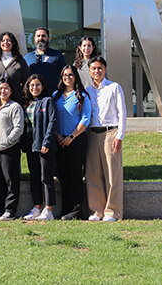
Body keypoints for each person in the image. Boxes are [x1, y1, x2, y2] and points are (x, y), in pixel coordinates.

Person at [85, 57, 127, 222]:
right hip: (91, 133)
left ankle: (112, 212)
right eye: (94, 68)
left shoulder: (114, 87)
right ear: (89, 71)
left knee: (112, 174)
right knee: (93, 173)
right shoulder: (87, 91)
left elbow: (122, 112)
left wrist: (120, 135)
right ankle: (97, 211)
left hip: (111, 132)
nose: (97, 71)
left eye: (100, 68)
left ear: (105, 69)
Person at [53, 65, 91, 220]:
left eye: (70, 75)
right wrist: (57, 136)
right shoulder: (56, 95)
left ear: (75, 76)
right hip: (59, 140)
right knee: (64, 176)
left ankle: (76, 211)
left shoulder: (82, 96)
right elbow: (52, 117)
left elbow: (86, 118)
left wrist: (71, 137)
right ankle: (65, 209)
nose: (67, 77)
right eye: (64, 75)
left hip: (76, 140)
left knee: (75, 176)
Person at [21, 74, 58, 221]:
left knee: (46, 178)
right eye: (31, 85)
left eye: (37, 85)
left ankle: (49, 210)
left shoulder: (48, 101)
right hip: (31, 146)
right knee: (34, 177)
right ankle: (37, 207)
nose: (34, 88)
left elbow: (52, 121)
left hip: (44, 146)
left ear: (42, 86)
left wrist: (46, 142)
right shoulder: (28, 103)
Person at [0, 80, 24, 221]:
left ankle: (10, 210)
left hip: (8, 150)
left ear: (11, 91)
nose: (3, 91)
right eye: (0, 88)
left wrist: (7, 141)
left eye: (6, 88)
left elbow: (18, 128)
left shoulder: (15, 107)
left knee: (10, 181)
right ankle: (0, 209)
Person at [0, 32, 29, 105]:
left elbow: (26, 83)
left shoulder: (20, 61)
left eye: (9, 40)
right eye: (3, 41)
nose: (6, 42)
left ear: (13, 43)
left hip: (15, 102)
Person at [24, 27, 67, 95]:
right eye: (38, 36)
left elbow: (65, 76)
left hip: (52, 97)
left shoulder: (57, 55)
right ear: (34, 38)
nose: (40, 38)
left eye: (43, 36)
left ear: (48, 38)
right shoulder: (27, 57)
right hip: (32, 98)